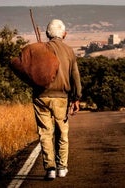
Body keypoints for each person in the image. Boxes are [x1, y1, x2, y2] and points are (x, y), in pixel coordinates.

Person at [33, 19, 82, 180]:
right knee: (62, 132)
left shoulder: (40, 49)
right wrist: (76, 98)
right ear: (64, 35)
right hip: (61, 97)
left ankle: (50, 169)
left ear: (47, 34)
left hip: (41, 97)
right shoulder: (69, 50)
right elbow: (75, 77)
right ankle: (62, 167)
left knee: (45, 133)